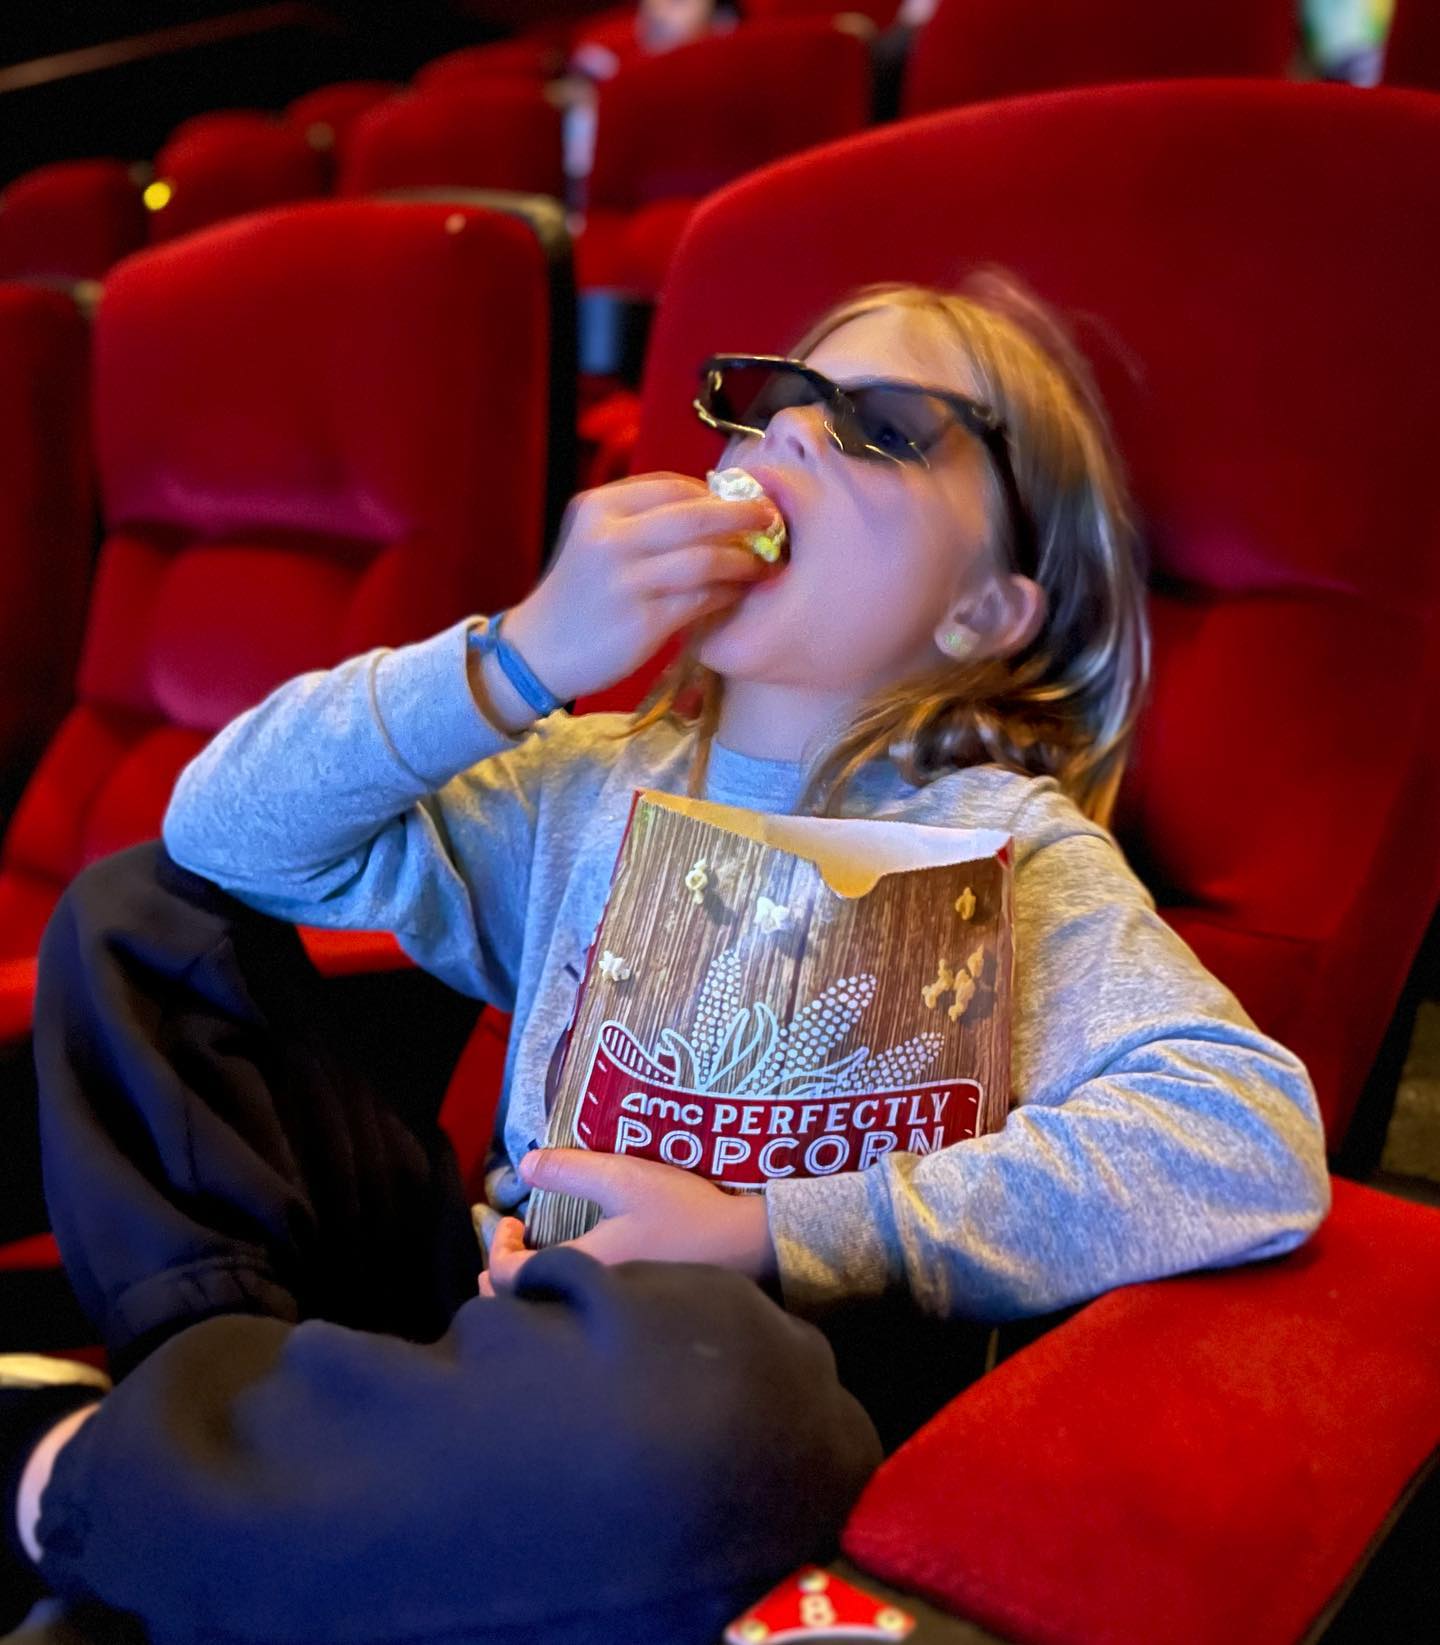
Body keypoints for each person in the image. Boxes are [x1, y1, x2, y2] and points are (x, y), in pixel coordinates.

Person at [6, 276, 1329, 1639]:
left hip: (715, 1382)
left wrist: (772, 1231)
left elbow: (1248, 1138)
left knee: (723, 1401)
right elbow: (222, 827)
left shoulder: (1008, 842)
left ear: (984, 614)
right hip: (480, 1312)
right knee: (143, 912)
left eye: (882, 425)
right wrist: (522, 655)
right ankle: (217, 1461)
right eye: (772, 402)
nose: (788, 434)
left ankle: (112, 1490)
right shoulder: (581, 778)